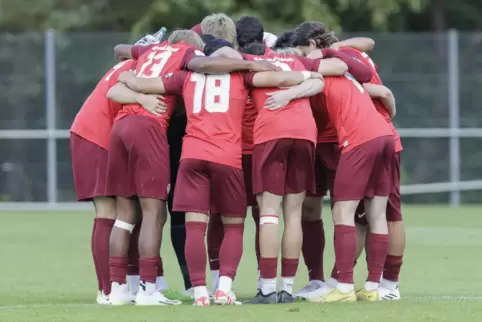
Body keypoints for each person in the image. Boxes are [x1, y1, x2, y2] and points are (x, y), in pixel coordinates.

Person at [118, 40, 321, 306]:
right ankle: (224, 289)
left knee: (194, 228)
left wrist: (127, 76)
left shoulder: (185, 76)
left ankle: (201, 293)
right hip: (228, 157)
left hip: (192, 156)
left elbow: (142, 84)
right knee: (234, 226)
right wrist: (307, 76)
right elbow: (282, 78)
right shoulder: (243, 75)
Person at [104, 30, 209, 306]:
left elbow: (124, 51)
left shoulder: (151, 51)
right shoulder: (190, 54)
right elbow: (202, 68)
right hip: (149, 128)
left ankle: (117, 289)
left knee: (124, 214)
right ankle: (148, 288)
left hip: (121, 126)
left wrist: (132, 81)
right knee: (154, 213)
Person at [294, 21, 394, 303]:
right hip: (384, 135)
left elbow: (305, 82)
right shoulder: (347, 64)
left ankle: (345, 287)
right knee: (376, 215)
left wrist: (287, 90)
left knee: (343, 213)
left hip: (359, 140)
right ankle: (373, 288)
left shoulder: (323, 68)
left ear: (312, 46)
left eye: (302, 50)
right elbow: (371, 80)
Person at [70, 58, 142, 305]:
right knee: (108, 211)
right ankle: (108, 290)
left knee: (120, 211)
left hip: (94, 132)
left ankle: (116, 286)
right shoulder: (145, 66)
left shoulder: (140, 60)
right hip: (96, 136)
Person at [339, 48, 403, 301]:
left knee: (383, 213)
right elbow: (368, 41)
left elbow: (382, 91)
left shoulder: (336, 65)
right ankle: (379, 283)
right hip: (384, 138)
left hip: (365, 140)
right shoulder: (352, 53)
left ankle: (386, 282)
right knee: (373, 214)